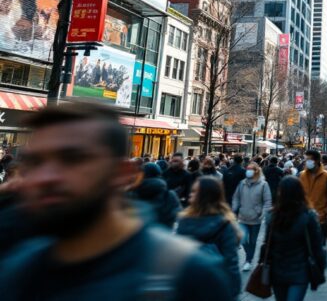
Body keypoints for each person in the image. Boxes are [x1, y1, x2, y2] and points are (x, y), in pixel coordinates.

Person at [0, 103, 231, 300]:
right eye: (35, 162)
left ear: (123, 174)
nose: (45, 177)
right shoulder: (18, 267)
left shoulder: (187, 276)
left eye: (73, 159)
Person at [259, 176, 326, 301]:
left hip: (277, 270)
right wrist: (320, 269)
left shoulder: (272, 216)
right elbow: (317, 246)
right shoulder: (308, 216)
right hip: (299, 271)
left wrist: (262, 262)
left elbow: (267, 243)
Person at [177, 176, 241, 299]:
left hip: (188, 286)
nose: (190, 194)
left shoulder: (184, 221)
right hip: (214, 286)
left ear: (205, 196)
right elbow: (231, 264)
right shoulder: (225, 224)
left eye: (195, 191)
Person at [232, 162, 272, 271]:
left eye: (250, 169)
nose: (248, 171)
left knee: (253, 241)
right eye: (247, 169)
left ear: (256, 171)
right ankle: (248, 257)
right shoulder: (242, 183)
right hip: (242, 217)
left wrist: (263, 213)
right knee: (243, 239)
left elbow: (267, 201)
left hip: (256, 218)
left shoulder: (264, 185)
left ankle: (249, 260)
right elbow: (236, 197)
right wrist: (234, 209)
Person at [298, 149, 327, 248]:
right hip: (303, 218)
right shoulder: (301, 175)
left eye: (309, 160)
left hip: (320, 219)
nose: (306, 162)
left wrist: (326, 211)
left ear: (316, 161)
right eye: (306, 159)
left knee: (317, 248)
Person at [129, 162, 181, 228]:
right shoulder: (169, 194)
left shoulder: (133, 192)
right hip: (164, 234)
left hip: (137, 234)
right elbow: (177, 217)